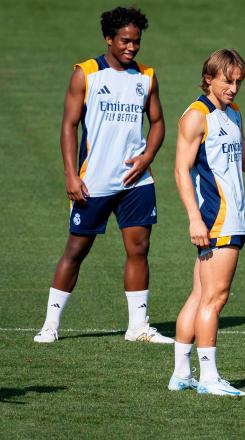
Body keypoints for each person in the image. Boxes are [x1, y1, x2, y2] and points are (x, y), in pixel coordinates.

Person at [34, 7, 171, 344]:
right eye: (125, 41)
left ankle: (138, 326)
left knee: (139, 248)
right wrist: (70, 174)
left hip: (135, 183)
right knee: (76, 250)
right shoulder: (86, 73)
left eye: (136, 42)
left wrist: (147, 156)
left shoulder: (146, 78)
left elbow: (157, 123)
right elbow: (68, 126)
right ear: (108, 38)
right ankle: (51, 323)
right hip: (92, 181)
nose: (132, 47)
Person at [168, 49, 245, 397]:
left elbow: (242, 154)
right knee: (216, 298)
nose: (233, 88)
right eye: (227, 81)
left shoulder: (232, 113)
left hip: (229, 218)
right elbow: (180, 170)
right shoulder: (196, 117)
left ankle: (181, 374)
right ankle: (209, 378)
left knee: (200, 295)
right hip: (217, 219)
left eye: (238, 82)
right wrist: (195, 219)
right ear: (210, 77)